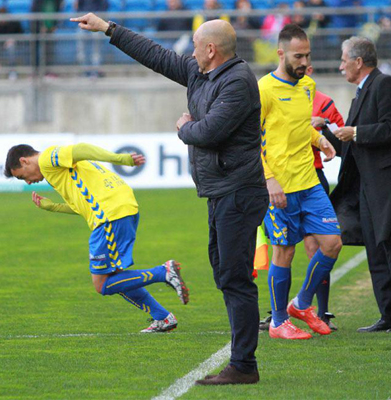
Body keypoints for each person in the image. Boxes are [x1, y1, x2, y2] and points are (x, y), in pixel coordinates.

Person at [70, 14, 268, 385]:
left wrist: (183, 127)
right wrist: (109, 29)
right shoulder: (201, 72)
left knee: (235, 278)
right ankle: (243, 361)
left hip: (239, 192)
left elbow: (208, 132)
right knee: (226, 274)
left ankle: (243, 365)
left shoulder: (239, 82)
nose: (189, 51)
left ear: (211, 49)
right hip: (221, 191)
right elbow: (155, 55)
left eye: (195, 45)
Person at [4, 143, 189, 333]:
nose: (27, 182)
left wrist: (121, 159)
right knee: (116, 277)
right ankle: (162, 317)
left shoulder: (47, 158)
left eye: (21, 176)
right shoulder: (58, 172)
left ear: (24, 161)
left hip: (110, 216)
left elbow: (82, 149)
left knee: (102, 284)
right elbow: (83, 207)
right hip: (119, 210)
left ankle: (163, 272)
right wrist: (53, 207)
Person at [259, 24, 341, 340]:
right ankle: (279, 322)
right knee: (285, 252)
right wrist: (269, 180)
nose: (304, 61)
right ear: (281, 54)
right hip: (279, 187)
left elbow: (299, 127)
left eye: (307, 55)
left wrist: (320, 141)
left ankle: (301, 304)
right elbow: (251, 139)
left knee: (332, 243)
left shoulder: (307, 85)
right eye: (298, 55)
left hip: (309, 182)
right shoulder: (264, 89)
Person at [331, 36, 391, 333]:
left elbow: (388, 128)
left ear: (358, 61)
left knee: (387, 247)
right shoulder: (360, 92)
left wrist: (355, 132)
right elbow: (351, 143)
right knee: (375, 252)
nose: (340, 66)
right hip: (367, 187)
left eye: (343, 60)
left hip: (384, 185)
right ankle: (387, 315)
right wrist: (327, 134)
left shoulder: (383, 85)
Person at [74, 0, 108, 77]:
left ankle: (95, 71)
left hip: (96, 24)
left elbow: (104, 7)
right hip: (83, 23)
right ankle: (84, 71)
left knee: (96, 49)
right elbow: (78, 8)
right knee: (81, 49)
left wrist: (96, 19)